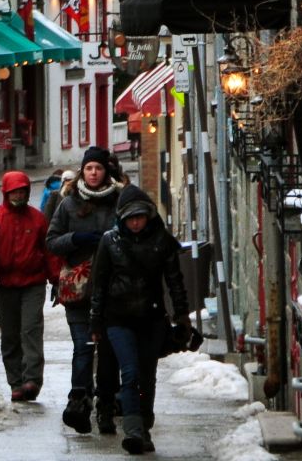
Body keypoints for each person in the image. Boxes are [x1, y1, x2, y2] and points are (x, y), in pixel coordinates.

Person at [90, 186, 189, 454]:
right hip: (118, 319)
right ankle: (132, 428)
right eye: (130, 218)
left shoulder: (162, 241)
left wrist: (182, 316)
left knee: (147, 377)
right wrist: (96, 322)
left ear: (148, 216)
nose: (135, 222)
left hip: (151, 319)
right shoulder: (110, 242)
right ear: (121, 218)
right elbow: (98, 284)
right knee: (130, 371)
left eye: (140, 217)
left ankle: (144, 424)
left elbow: (175, 281)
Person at [47, 146, 125, 436]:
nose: (93, 173)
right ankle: (78, 400)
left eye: (99, 169)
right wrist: (76, 238)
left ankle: (110, 397)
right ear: (83, 171)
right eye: (89, 168)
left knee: (109, 347)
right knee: (83, 346)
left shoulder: (119, 200)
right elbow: (52, 240)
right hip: (78, 288)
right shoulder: (68, 203)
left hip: (112, 288)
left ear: (107, 171)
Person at [0, 170, 54, 404]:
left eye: (22, 191)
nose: (19, 195)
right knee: (10, 334)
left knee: (30, 329)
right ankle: (16, 382)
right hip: (6, 285)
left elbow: (49, 251)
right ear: (6, 193)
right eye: (14, 191)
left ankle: (32, 379)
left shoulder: (37, 219)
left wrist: (57, 280)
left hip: (33, 282)